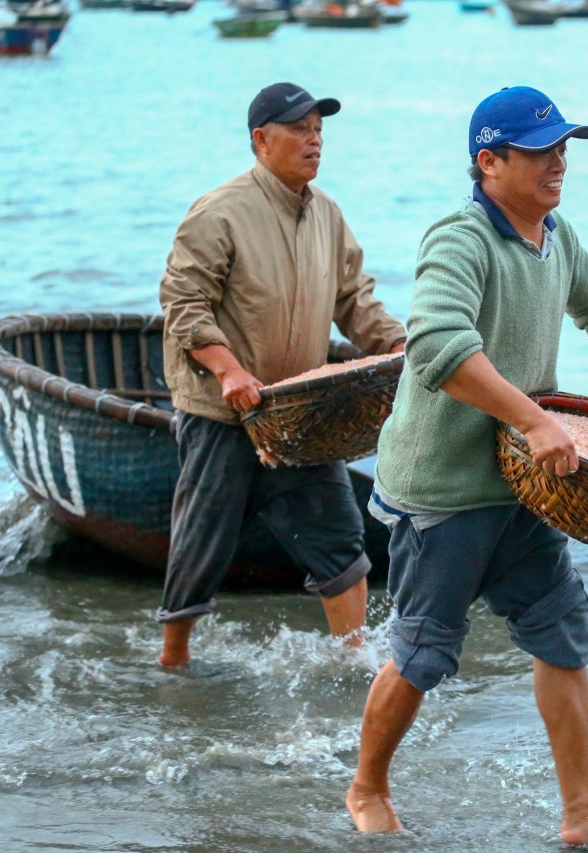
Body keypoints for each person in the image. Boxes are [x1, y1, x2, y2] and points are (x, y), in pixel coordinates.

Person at [344, 86, 588, 846]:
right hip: (444, 488)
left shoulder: (555, 234)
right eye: (540, 150)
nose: (559, 162)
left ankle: (583, 805)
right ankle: (365, 787)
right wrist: (532, 416)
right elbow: (436, 350)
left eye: (563, 148)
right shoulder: (460, 238)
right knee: (423, 652)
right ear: (489, 162)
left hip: (526, 481)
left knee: (562, 630)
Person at [155, 82, 406, 668]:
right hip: (223, 412)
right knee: (201, 543)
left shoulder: (327, 214)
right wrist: (229, 371)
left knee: (341, 539)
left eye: (319, 129)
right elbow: (183, 304)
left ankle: (353, 665)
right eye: (300, 129)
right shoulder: (219, 211)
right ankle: (172, 663)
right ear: (261, 140)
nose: (314, 140)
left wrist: (398, 342)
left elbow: (355, 299)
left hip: (297, 413)